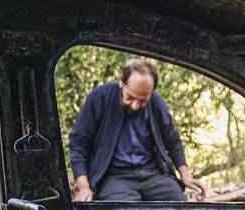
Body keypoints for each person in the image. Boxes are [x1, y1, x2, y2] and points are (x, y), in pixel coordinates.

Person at [69, 58, 205, 202]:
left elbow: (172, 140)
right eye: (130, 97)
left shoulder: (156, 102)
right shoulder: (99, 98)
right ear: (121, 82)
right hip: (114, 176)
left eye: (142, 101)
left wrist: (186, 176)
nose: (135, 106)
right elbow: (78, 143)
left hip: (152, 173)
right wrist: (84, 186)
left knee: (178, 207)